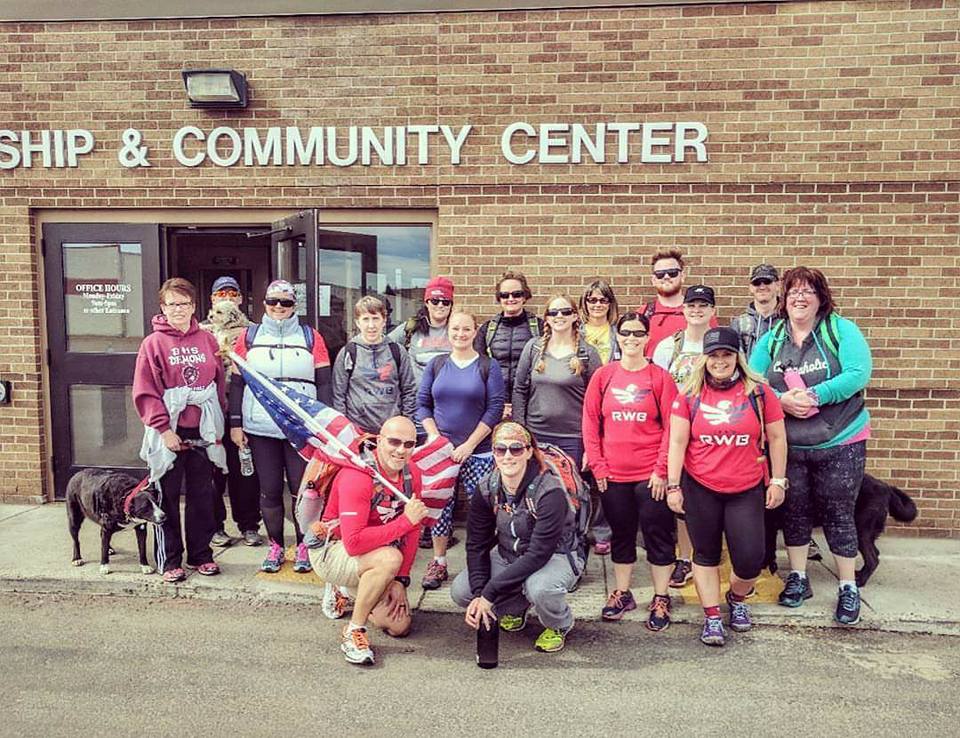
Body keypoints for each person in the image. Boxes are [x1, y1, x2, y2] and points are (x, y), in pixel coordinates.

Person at [749, 267, 873, 626]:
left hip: (841, 439)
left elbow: (858, 372)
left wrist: (818, 393)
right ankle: (799, 578)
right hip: (790, 444)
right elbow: (753, 379)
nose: (799, 298)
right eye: (792, 293)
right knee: (795, 512)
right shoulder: (772, 339)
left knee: (839, 512)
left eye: (807, 291)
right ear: (783, 300)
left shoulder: (840, 330)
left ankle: (848, 586)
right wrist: (781, 400)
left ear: (821, 297)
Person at [666, 327, 788, 647]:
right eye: (714, 355)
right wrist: (673, 486)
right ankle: (712, 617)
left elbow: (776, 438)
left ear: (738, 357)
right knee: (704, 554)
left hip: (746, 487)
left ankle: (736, 598)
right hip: (701, 487)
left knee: (749, 560)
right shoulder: (689, 395)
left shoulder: (759, 393)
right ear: (705, 359)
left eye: (727, 354)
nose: (720, 361)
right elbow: (677, 442)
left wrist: (777, 480)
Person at [581, 311, 678, 630]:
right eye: (626, 333)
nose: (632, 339)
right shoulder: (604, 376)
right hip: (613, 475)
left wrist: (662, 470)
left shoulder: (659, 378)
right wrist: (597, 465)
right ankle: (622, 592)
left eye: (638, 333)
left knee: (657, 536)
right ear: (617, 337)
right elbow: (591, 422)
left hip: (650, 475)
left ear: (647, 337)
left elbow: (672, 428)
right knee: (621, 535)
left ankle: (661, 596)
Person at [309, 416, 431, 666]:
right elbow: (354, 542)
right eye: (394, 442)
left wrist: (401, 580)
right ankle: (354, 631)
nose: (401, 450)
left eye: (409, 444)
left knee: (400, 625)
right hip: (333, 550)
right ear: (379, 440)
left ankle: (344, 590)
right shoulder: (359, 475)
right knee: (390, 558)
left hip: (373, 553)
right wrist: (405, 522)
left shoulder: (412, 474)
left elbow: (413, 530)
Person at [451, 421, 582, 654]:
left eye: (516, 448)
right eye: (500, 449)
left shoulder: (549, 491)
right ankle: (516, 608)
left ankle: (559, 624)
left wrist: (491, 594)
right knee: (462, 591)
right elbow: (476, 545)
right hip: (508, 553)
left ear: (529, 452)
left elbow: (538, 554)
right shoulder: (488, 488)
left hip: (555, 556)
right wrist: (481, 593)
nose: (508, 456)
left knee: (540, 588)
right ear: (493, 453)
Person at [229, 279, 332, 575]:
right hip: (262, 427)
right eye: (273, 301)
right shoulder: (248, 337)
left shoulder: (312, 337)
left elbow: (323, 383)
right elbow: (237, 384)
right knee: (270, 490)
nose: (278, 307)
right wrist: (236, 424)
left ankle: (302, 544)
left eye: (285, 303)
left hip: (300, 428)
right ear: (263, 304)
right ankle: (275, 545)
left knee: (304, 491)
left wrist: (323, 424)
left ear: (294, 306)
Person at [133, 278, 226, 583]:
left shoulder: (207, 341)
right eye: (172, 304)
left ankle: (201, 554)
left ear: (194, 307)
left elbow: (217, 385)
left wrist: (218, 424)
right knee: (166, 498)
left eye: (184, 304)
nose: (178, 310)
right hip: (170, 434)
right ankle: (170, 558)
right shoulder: (153, 344)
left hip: (201, 432)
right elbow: (146, 391)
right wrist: (163, 430)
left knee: (202, 496)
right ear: (163, 307)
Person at [417, 311, 506, 589]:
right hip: (441, 451)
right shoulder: (437, 364)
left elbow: (495, 408)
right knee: (440, 507)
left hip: (477, 450)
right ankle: (439, 562)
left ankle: (479, 564)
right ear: (449, 332)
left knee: (480, 509)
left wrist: (469, 445)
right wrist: (435, 436)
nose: (460, 334)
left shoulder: (488, 367)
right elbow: (422, 403)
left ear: (474, 331)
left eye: (466, 329)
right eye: (455, 329)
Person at [651, 284, 718, 587]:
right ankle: (685, 557)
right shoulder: (668, 347)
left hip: (713, 432)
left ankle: (710, 555)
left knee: (713, 496)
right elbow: (657, 389)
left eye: (704, 305)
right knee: (681, 495)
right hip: (677, 431)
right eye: (692, 304)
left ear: (712, 311)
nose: (697, 310)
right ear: (683, 308)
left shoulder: (722, 344)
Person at [199, 275, 262, 547]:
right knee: (213, 473)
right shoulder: (200, 332)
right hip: (210, 413)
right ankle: (215, 527)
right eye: (220, 293)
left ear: (239, 298)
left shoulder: (254, 331)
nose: (226, 297)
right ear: (212, 299)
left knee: (244, 471)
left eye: (231, 293)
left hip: (242, 411)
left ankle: (249, 525)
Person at [513, 293, 601, 465]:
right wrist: (521, 432)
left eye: (565, 312)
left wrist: (591, 447)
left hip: (573, 439)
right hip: (535, 435)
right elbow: (519, 390)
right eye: (553, 312)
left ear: (575, 316)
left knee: (570, 490)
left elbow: (597, 402)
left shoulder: (588, 353)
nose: (559, 316)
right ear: (546, 318)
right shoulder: (534, 348)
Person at [332, 295, 418, 433]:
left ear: (384, 321)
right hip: (358, 430)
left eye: (375, 318)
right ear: (357, 322)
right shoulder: (348, 352)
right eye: (365, 319)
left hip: (391, 430)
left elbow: (409, 390)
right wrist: (345, 430)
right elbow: (338, 395)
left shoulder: (397, 351)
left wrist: (405, 423)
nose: (371, 325)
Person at [578, 279, 620, 555]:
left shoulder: (618, 334)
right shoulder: (575, 332)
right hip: (578, 406)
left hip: (613, 408)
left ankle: (603, 530)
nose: (597, 305)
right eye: (592, 300)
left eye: (602, 300)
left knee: (606, 470)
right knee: (579, 473)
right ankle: (578, 529)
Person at [475, 270, 544, 416]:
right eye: (505, 295)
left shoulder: (539, 327)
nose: (510, 299)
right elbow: (478, 370)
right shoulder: (487, 329)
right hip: (494, 404)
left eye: (516, 294)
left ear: (525, 296)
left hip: (531, 405)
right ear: (499, 298)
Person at [638, 248, 717, 358]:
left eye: (672, 273)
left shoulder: (701, 313)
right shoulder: (644, 313)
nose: (666, 277)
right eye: (660, 274)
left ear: (682, 276)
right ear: (653, 280)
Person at [387, 276, 455, 385]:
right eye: (435, 301)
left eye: (446, 302)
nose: (440, 305)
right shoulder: (411, 327)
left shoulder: (457, 329)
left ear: (451, 305)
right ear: (427, 303)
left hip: (449, 397)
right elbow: (384, 346)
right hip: (416, 397)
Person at [731, 263, 781, 360]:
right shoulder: (739, 324)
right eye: (757, 283)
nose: (762, 287)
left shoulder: (788, 320)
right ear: (751, 287)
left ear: (778, 285)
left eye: (767, 282)